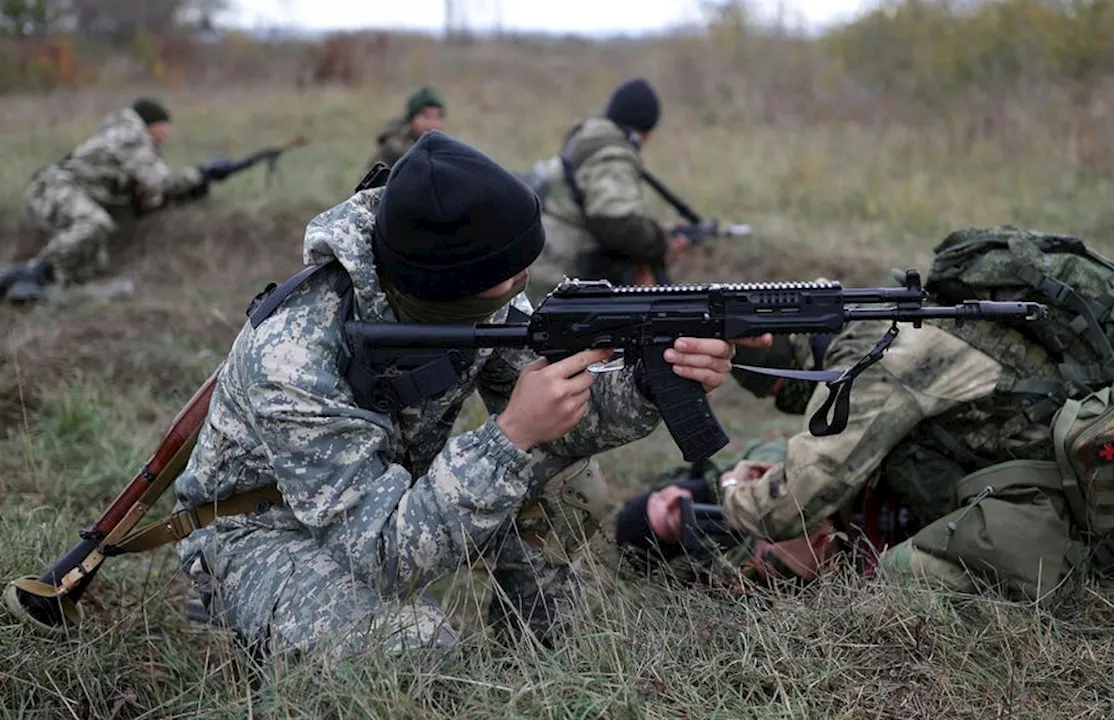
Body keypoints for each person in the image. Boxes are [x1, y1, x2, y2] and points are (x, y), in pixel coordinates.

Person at [172, 130, 753, 661]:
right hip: (264, 530)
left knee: (570, 481)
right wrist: (509, 438)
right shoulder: (295, 356)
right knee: (412, 650)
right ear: (444, 288)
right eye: (508, 278)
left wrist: (650, 382)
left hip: (381, 503)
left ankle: (544, 657)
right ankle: (250, 618)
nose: (520, 285)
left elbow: (561, 411)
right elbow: (380, 550)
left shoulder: (474, 291)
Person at [615, 227, 1114, 601]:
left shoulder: (890, 362)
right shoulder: (912, 327)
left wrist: (728, 497)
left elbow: (791, 504)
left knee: (899, 579)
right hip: (1095, 478)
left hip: (1076, 513)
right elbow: (822, 396)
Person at [5, 97, 217, 303]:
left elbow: (146, 194)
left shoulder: (120, 134)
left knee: (92, 261)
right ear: (153, 124)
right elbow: (159, 181)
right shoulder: (132, 136)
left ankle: (42, 286)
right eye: (165, 128)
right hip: (55, 188)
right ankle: (31, 275)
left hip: (57, 190)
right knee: (94, 224)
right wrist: (202, 173)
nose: (167, 135)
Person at [526, 77, 690, 298]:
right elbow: (616, 223)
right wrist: (662, 242)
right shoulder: (611, 154)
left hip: (546, 265)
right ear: (646, 131)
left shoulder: (588, 140)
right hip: (560, 279)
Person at [370, 85, 447, 170]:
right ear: (411, 119)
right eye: (426, 116)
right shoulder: (394, 147)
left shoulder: (442, 148)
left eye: (438, 117)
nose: (433, 123)